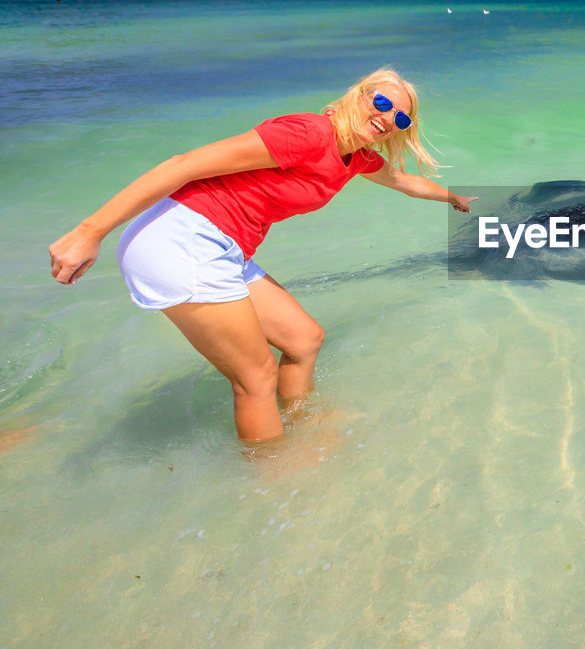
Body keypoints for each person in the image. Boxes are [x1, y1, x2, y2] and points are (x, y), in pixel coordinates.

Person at [48, 68, 476, 443]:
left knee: (303, 340)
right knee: (256, 377)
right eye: (381, 103)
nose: (387, 119)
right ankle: (274, 475)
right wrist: (89, 232)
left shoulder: (355, 158)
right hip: (182, 240)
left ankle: (298, 423)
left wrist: (454, 198)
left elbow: (404, 181)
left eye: (400, 117)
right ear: (357, 96)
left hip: (225, 248)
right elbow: (184, 163)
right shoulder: (308, 133)